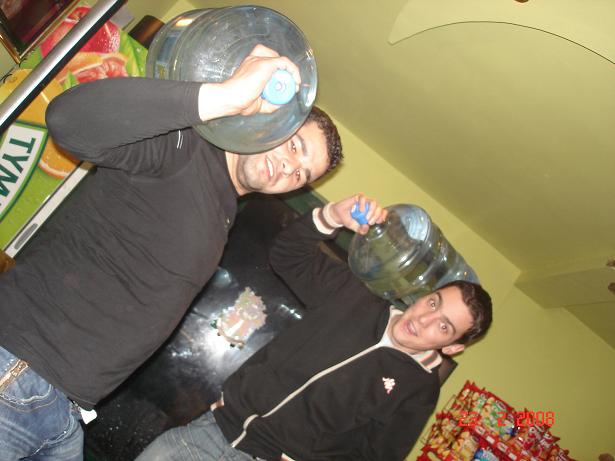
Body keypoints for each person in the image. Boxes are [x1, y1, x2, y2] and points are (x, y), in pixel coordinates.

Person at [0, 44, 342, 460]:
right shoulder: (185, 145)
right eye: (294, 147)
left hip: (65, 410)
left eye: (302, 175)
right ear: (272, 120)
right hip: (20, 372)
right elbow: (67, 120)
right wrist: (223, 98)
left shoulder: (223, 213)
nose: (290, 169)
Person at [137, 194, 493, 461]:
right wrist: (332, 216)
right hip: (209, 432)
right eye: (433, 303)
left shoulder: (419, 390)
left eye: (443, 326)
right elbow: (287, 255)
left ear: (453, 347)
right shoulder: (358, 296)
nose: (423, 319)